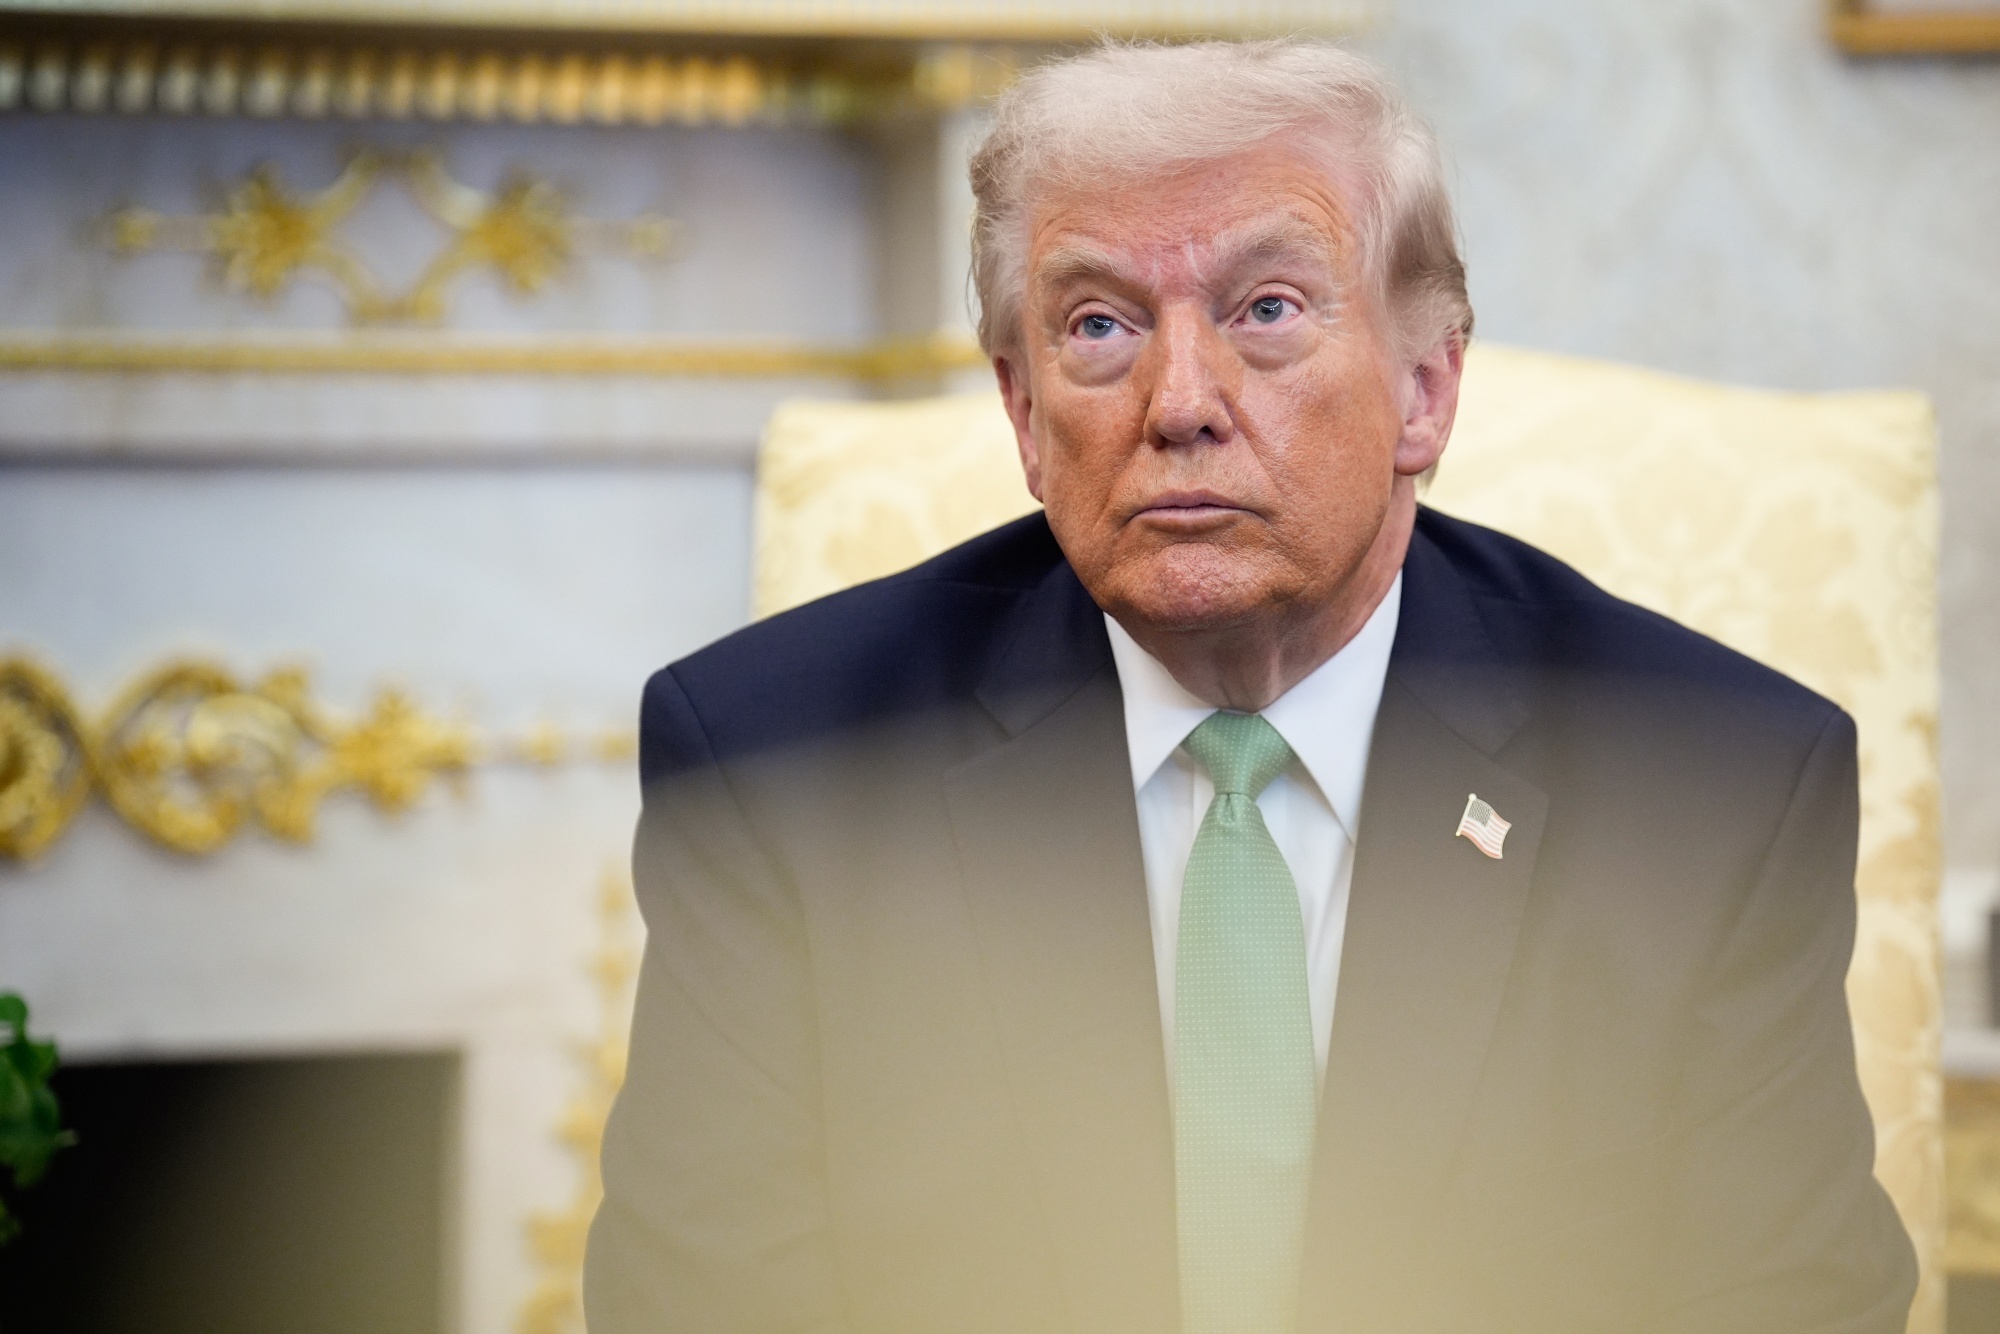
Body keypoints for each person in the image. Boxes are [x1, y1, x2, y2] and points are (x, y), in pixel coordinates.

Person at [584, 39, 1916, 1334]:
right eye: (1098, 324)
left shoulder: (1709, 793)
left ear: (1426, 389)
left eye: (1267, 309)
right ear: (1025, 414)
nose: (1181, 403)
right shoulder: (777, 771)